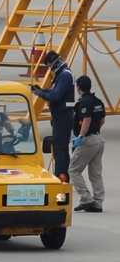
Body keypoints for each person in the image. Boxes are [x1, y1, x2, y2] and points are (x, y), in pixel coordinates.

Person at [31, 50, 75, 181]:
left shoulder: (64, 76)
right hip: (63, 116)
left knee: (59, 149)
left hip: (62, 117)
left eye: (50, 65)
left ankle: (61, 176)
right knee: (62, 148)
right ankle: (64, 176)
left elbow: (56, 96)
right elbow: (56, 92)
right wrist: (42, 91)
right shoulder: (63, 74)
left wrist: (40, 94)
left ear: (54, 63)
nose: (50, 69)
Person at [70, 75, 106, 212]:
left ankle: (86, 198)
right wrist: (95, 130)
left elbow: (87, 119)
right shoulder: (98, 101)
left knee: (73, 169)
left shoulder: (84, 102)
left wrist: (80, 136)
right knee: (95, 173)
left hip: (88, 140)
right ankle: (98, 202)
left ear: (78, 87)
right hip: (98, 139)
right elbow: (102, 119)